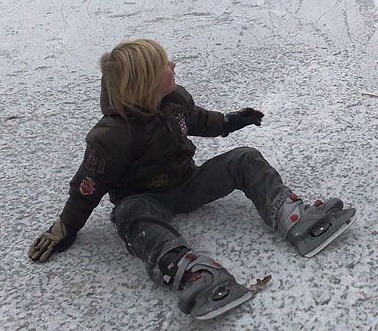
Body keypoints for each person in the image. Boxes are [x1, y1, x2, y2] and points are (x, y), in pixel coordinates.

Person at [28, 39, 356, 320]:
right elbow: (87, 186)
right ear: (144, 84)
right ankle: (190, 271)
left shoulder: (174, 101)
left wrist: (230, 121)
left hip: (189, 181)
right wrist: (66, 227)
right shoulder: (111, 136)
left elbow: (198, 119)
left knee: (244, 157)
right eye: (163, 65)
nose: (172, 64)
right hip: (145, 199)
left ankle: (291, 216)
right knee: (128, 216)